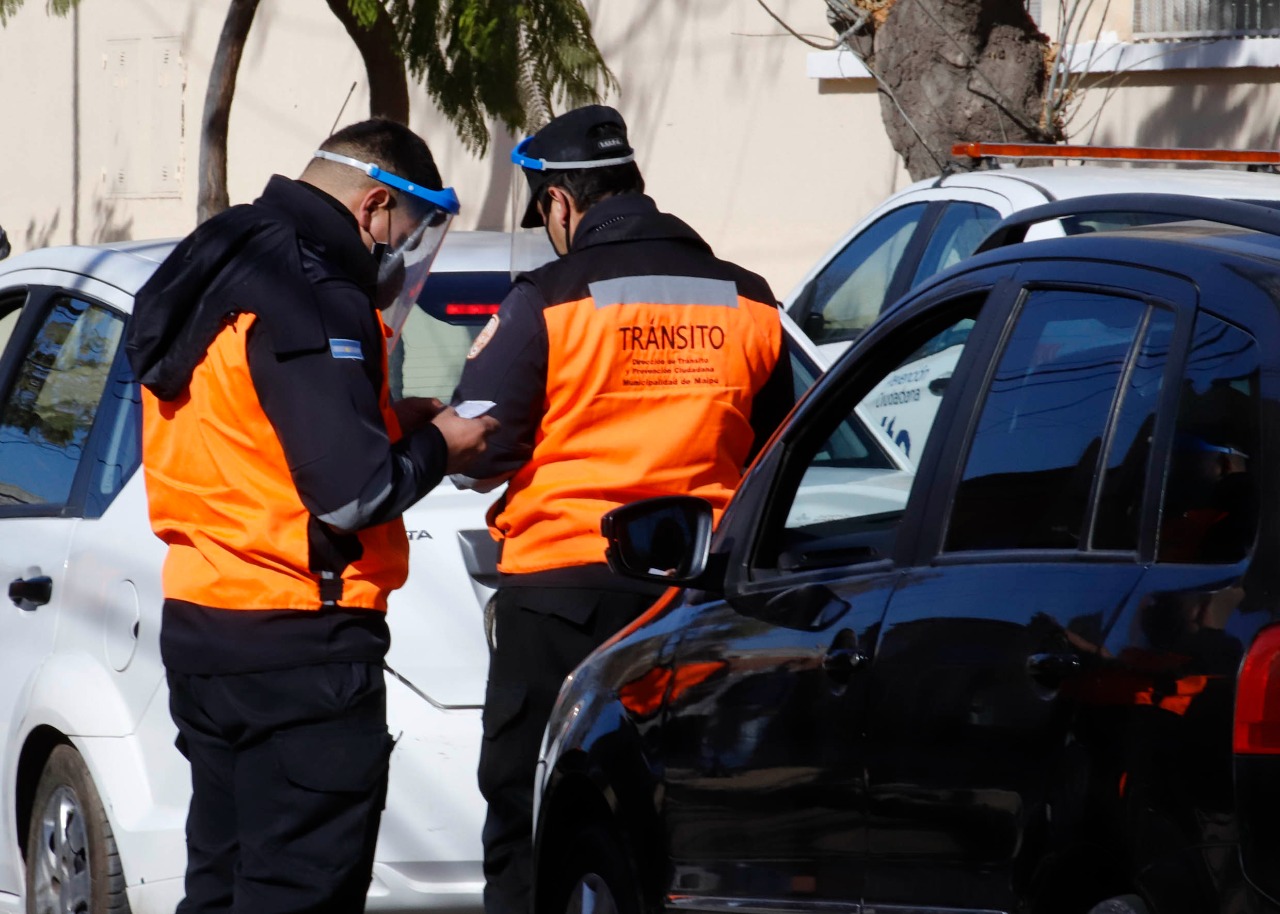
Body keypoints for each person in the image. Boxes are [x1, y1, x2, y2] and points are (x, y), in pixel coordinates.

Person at [124, 118, 497, 914]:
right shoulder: (312, 287)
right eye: (407, 233)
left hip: (206, 628)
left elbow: (254, 428)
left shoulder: (221, 252)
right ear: (372, 209)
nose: (401, 258)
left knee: (221, 891)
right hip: (300, 649)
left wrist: (392, 415)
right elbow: (352, 494)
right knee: (296, 894)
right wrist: (442, 444)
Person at [450, 104, 794, 914]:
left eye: (544, 214)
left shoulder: (548, 299)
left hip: (563, 598)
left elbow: (481, 445)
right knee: (683, 826)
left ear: (562, 203)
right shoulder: (749, 300)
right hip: (697, 601)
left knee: (531, 818)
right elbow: (783, 448)